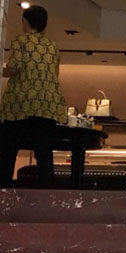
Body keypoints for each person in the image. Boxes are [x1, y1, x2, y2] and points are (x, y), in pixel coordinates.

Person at [0, 5, 67, 188]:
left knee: (8, 149)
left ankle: (4, 190)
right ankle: (46, 192)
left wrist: (2, 70)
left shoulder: (20, 41)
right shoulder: (53, 46)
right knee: (44, 152)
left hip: (20, 104)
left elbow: (14, 67)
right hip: (47, 105)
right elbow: (54, 73)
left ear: (25, 21)